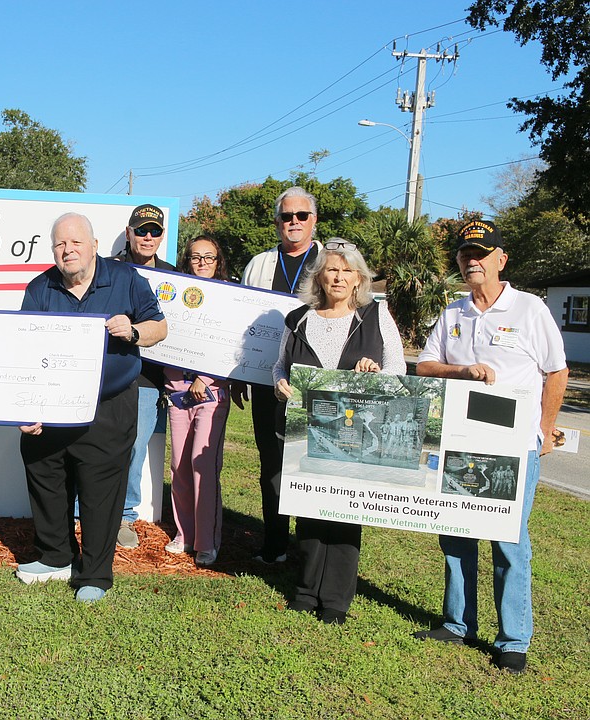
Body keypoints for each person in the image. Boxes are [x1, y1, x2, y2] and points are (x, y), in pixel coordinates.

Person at [412, 219, 567, 674]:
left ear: (501, 259)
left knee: (509, 542)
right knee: (455, 534)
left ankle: (514, 639)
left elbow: (557, 371)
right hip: (459, 442)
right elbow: (424, 367)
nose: (472, 260)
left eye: (481, 253)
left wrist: (543, 430)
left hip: (513, 445)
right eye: (465, 254)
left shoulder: (530, 309)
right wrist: (462, 372)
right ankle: (458, 624)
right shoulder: (453, 313)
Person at [15, 212, 167, 602]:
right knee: (45, 472)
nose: (68, 251)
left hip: (109, 404)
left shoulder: (126, 279)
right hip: (52, 404)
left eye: (76, 242)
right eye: (60, 244)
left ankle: (95, 574)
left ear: (95, 245)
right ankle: (55, 557)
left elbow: (159, 327)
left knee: (102, 489)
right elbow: (24, 350)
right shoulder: (39, 288)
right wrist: (27, 407)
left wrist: (133, 331)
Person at [272, 239, 405, 624]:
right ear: (319, 276)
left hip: (356, 432)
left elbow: (398, 369)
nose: (339, 277)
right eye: (332, 269)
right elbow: (280, 366)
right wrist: (280, 384)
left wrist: (376, 373)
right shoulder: (298, 318)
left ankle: (335, 600)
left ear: (359, 278)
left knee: (345, 510)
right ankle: (306, 589)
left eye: (347, 271)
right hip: (306, 430)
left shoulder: (376, 317)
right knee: (310, 507)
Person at [233, 186, 322, 564]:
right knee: (271, 463)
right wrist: (238, 372)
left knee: (314, 463)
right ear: (277, 222)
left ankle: (310, 547)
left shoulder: (330, 262)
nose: (294, 223)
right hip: (268, 380)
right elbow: (240, 324)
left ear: (313, 220)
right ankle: (275, 544)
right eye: (287, 216)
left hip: (317, 384)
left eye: (301, 216)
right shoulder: (259, 264)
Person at [164, 236, 232, 566]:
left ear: (219, 261)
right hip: (178, 394)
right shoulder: (175, 295)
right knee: (179, 466)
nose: (202, 262)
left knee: (201, 466)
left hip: (210, 395)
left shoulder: (230, 297)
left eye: (209, 257)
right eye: (195, 257)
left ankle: (207, 541)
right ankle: (184, 534)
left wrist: (207, 376)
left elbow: (234, 346)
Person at [112, 203, 177, 548]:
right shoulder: (109, 270)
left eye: (154, 231)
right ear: (129, 233)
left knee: (134, 448)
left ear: (162, 236)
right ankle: (83, 511)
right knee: (95, 444)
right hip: (109, 372)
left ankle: (124, 516)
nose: (147, 237)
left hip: (149, 377)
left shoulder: (175, 276)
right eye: (141, 230)